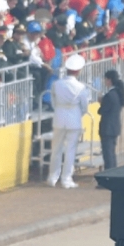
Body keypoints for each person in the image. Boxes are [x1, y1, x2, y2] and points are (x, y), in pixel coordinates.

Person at [49, 53, 93, 189]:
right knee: (70, 150)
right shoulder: (80, 87)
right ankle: (66, 179)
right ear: (78, 71)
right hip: (74, 118)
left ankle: (52, 177)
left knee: (55, 149)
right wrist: (79, 113)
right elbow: (84, 106)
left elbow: (53, 102)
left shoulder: (57, 84)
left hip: (59, 117)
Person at [97, 69, 124, 171]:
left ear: (109, 80)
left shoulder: (110, 95)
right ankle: (113, 174)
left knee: (108, 154)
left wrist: (101, 102)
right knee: (111, 153)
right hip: (114, 127)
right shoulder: (118, 93)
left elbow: (101, 111)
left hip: (107, 128)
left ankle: (108, 176)